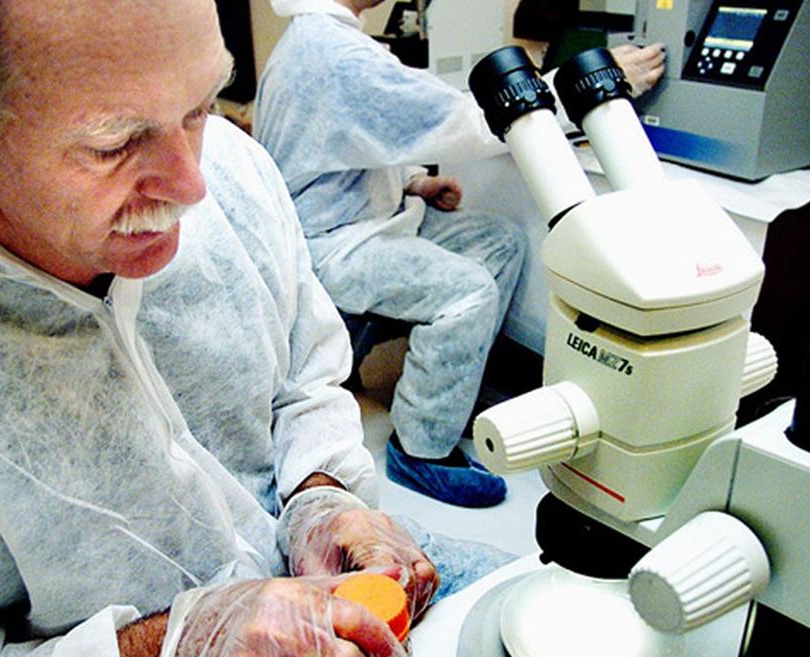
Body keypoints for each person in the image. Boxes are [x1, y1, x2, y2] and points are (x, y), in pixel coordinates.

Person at [0, 1, 510, 657]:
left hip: (314, 590)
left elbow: (304, 379)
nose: (190, 184)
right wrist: (168, 656)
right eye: (113, 143)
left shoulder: (235, 175)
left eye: (201, 107)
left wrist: (321, 496)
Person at [253, 0, 665, 509]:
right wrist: (584, 85)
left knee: (502, 243)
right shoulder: (331, 52)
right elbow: (470, 121)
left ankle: (449, 394)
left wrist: (414, 182)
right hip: (331, 241)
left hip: (368, 219)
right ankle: (420, 449)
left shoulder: (324, 39)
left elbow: (339, 142)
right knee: (466, 291)